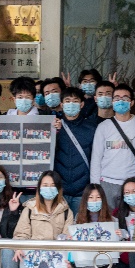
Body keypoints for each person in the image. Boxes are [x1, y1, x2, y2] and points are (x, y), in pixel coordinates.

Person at [12, 171, 72, 268]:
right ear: (39, 188)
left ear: (58, 188)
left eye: (52, 185)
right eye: (45, 185)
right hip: (35, 254)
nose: (48, 188)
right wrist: (18, 248)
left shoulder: (66, 211)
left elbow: (68, 235)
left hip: (56, 255)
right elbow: (22, 233)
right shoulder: (30, 209)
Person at [91, 84, 135, 206]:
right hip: (107, 183)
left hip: (132, 184)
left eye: (125, 98)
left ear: (132, 102)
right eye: (117, 98)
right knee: (108, 217)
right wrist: (95, 187)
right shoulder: (103, 127)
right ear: (112, 102)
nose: (121, 101)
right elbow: (96, 159)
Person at [68, 184, 116, 268]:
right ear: (85, 200)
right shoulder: (78, 218)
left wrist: (119, 235)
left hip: (105, 261)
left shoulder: (111, 218)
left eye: (98, 197)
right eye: (91, 197)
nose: (94, 201)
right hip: (85, 262)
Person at [55, 85, 98, 214]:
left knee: (80, 224)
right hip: (59, 191)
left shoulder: (92, 128)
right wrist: (54, 132)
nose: (71, 104)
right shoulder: (54, 127)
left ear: (82, 104)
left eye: (75, 101)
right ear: (61, 104)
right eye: (67, 101)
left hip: (83, 192)